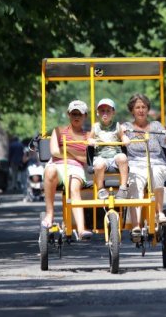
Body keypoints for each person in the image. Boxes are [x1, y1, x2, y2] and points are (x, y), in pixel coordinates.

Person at [122, 93, 166, 239]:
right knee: (134, 182)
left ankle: (159, 213)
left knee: (156, 173)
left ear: (148, 109)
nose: (141, 110)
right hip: (135, 163)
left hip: (156, 162)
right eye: (137, 107)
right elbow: (118, 138)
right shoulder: (126, 127)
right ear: (132, 110)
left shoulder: (156, 126)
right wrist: (120, 134)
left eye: (144, 107)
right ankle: (135, 226)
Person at [40, 100, 92, 240]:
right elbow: (55, 151)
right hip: (57, 166)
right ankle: (49, 214)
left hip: (76, 168)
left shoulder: (88, 136)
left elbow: (86, 159)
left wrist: (67, 148)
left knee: (74, 187)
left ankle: (81, 229)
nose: (76, 117)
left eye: (79, 114)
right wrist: (74, 151)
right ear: (68, 114)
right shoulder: (58, 131)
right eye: (74, 113)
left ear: (85, 116)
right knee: (49, 170)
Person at [86, 98, 130, 200]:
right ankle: (101, 189)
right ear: (98, 113)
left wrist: (125, 139)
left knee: (123, 158)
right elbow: (90, 138)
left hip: (115, 155)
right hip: (101, 156)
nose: (105, 113)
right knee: (99, 165)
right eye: (102, 111)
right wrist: (91, 141)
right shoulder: (95, 127)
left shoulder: (117, 126)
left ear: (113, 112)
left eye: (108, 111)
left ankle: (123, 187)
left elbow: (122, 136)